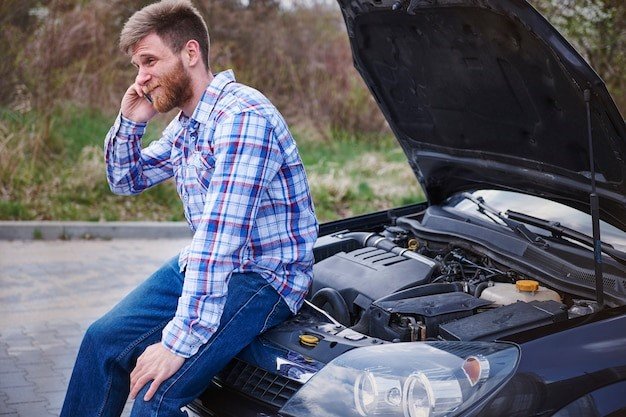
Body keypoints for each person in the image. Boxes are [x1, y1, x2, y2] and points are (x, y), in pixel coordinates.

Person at [60, 0, 318, 415]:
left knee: (156, 389)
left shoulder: (243, 118)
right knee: (101, 340)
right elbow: (127, 180)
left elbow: (221, 241)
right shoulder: (189, 125)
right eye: (136, 66)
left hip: (264, 276)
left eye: (149, 61)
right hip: (210, 264)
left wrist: (175, 344)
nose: (141, 78)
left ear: (191, 53)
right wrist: (130, 122)